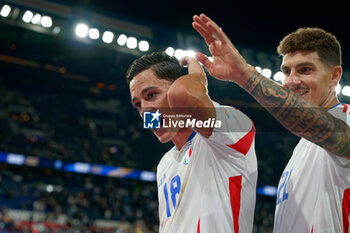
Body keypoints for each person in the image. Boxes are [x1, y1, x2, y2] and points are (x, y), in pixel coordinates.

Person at [192, 13, 350, 233]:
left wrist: (244, 75)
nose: (292, 81)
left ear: (334, 76)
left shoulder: (346, 119)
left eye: (305, 70)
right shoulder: (303, 148)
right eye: (286, 71)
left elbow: (326, 129)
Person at [126, 52, 258, 233]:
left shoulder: (231, 128)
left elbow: (184, 95)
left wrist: (197, 78)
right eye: (138, 105)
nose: (145, 111)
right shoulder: (165, 163)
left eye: (151, 95)